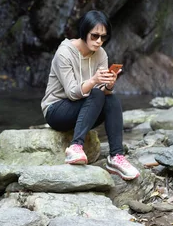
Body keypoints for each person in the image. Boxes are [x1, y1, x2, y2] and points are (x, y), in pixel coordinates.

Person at [40, 10, 140, 180]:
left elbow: (103, 93)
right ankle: (76, 147)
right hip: (56, 110)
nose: (99, 41)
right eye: (94, 36)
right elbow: (72, 93)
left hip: (84, 109)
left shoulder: (101, 54)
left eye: (103, 37)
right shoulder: (64, 53)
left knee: (111, 98)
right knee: (96, 93)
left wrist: (109, 84)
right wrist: (94, 80)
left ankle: (116, 157)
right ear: (84, 32)